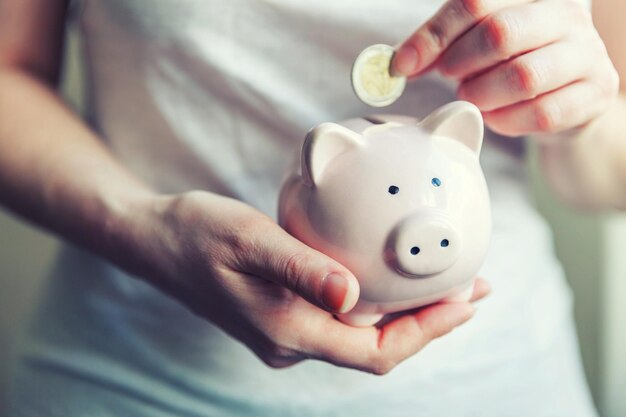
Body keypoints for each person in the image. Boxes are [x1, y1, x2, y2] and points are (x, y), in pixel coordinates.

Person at [2, 0, 624, 415]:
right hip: (131, 376)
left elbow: (609, 166)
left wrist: (578, 115)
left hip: (497, 381)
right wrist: (141, 225)